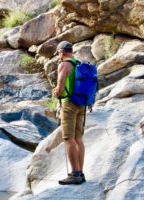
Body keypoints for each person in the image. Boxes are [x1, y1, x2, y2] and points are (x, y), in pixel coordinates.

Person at [52, 41, 86, 185]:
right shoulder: (78, 63)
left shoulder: (64, 65)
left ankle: (75, 174)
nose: (58, 56)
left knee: (68, 139)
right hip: (81, 104)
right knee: (78, 139)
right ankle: (81, 172)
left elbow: (60, 89)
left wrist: (55, 93)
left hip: (69, 105)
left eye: (58, 53)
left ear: (62, 52)